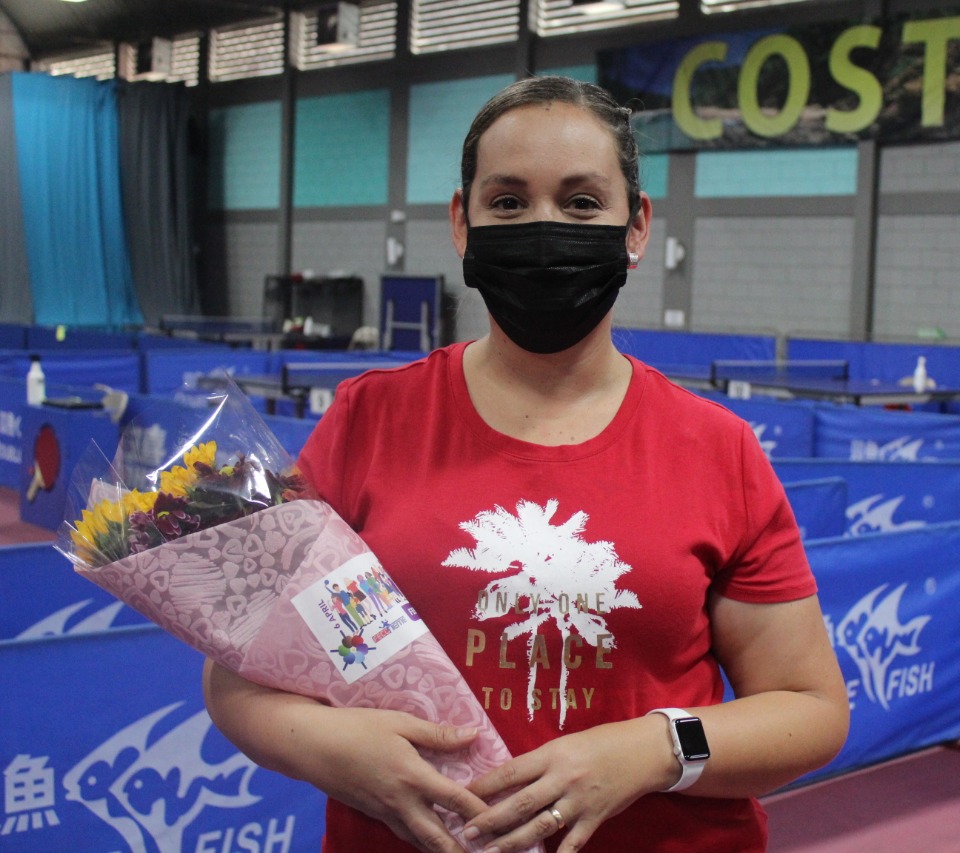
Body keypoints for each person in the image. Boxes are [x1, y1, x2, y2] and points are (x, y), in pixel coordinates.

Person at [203, 75, 848, 853]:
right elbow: (237, 677)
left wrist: (654, 748)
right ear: (462, 222)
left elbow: (810, 709)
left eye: (582, 203)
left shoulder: (718, 449)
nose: (545, 228)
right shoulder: (366, 421)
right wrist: (331, 748)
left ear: (636, 226)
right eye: (508, 202)